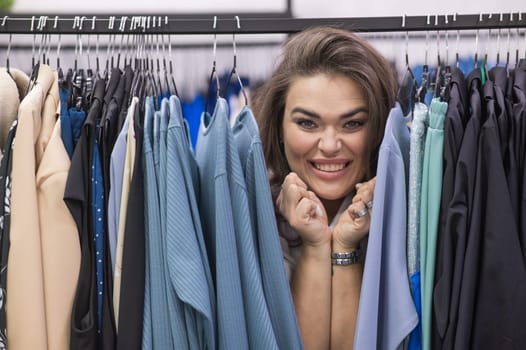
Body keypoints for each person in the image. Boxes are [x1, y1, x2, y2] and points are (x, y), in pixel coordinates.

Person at [253, 27, 397, 349]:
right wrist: (316, 244)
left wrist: (344, 244)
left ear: (377, 129)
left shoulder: (408, 218)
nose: (330, 145)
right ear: (279, 127)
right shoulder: (248, 219)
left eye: (352, 123)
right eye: (308, 123)